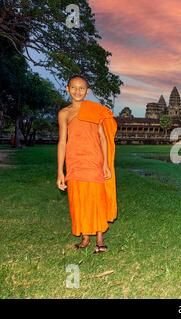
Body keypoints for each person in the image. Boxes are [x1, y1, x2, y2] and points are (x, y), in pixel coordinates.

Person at [56, 75, 117, 253]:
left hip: (94, 160)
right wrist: (60, 171)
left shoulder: (94, 110)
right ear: (67, 89)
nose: (77, 91)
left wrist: (105, 163)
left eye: (81, 88)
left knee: (96, 200)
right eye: (73, 87)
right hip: (74, 162)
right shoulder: (64, 113)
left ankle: (99, 238)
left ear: (87, 91)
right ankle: (85, 238)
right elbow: (62, 142)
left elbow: (103, 138)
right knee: (79, 200)